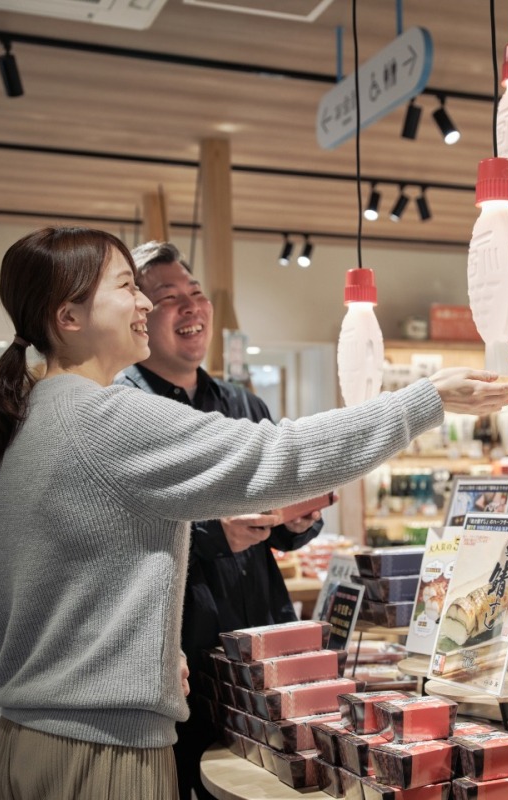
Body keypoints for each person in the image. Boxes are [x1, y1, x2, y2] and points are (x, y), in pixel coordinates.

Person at [0, 226, 508, 800]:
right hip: (100, 751)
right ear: (69, 318)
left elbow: (52, 584)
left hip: (37, 738)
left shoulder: (33, 412)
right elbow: (279, 456)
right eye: (127, 286)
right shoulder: (102, 417)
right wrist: (426, 399)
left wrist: (146, 655)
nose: (146, 303)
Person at [114, 240, 324, 800]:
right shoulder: (125, 408)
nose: (190, 307)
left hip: (262, 629)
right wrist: (214, 533)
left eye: (196, 293)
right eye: (168, 297)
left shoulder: (242, 404)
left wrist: (296, 520)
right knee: (194, 779)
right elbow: (121, 526)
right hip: (184, 646)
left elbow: (281, 517)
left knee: (271, 776)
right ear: (139, 313)